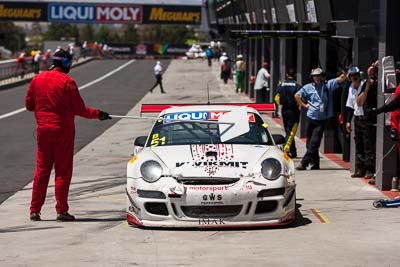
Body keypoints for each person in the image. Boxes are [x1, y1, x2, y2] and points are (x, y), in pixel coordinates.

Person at [25, 49, 111, 222]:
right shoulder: (68, 82)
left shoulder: (36, 79)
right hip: (62, 132)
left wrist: (45, 109)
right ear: (65, 63)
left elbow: (29, 105)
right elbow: (80, 110)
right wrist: (99, 114)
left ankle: (34, 210)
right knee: (63, 172)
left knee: (41, 171)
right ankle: (61, 211)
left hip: (43, 131)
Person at [294, 67, 347, 170]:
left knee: (314, 142)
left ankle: (303, 163)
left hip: (322, 120)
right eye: (315, 76)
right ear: (312, 77)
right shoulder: (308, 87)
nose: (317, 78)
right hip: (310, 118)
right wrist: (304, 106)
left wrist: (346, 70)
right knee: (310, 143)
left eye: (319, 75)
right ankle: (316, 163)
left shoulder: (327, 85)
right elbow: (297, 96)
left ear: (322, 76)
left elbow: (341, 79)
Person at [355, 62, 378, 182]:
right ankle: (367, 169)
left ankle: (373, 169)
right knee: (366, 145)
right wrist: (368, 87)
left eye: (374, 74)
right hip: (367, 118)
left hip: (379, 117)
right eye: (370, 75)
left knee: (374, 146)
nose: (372, 77)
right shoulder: (366, 85)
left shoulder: (383, 84)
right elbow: (359, 102)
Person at [275, 69, 301, 158]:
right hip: (293, 111)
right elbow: (300, 98)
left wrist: (282, 103)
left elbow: (276, 98)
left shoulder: (281, 84)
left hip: (284, 110)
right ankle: (286, 148)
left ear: (287, 75)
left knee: (288, 131)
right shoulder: (297, 86)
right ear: (295, 76)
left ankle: (293, 152)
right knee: (291, 133)